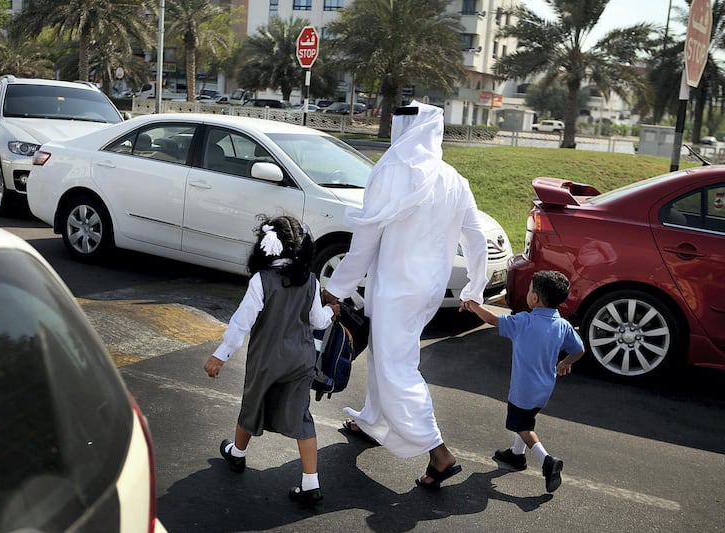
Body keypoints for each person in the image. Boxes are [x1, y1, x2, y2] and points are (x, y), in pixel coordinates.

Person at [321, 100, 489, 490]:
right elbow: (476, 238)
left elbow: (364, 241)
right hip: (427, 290)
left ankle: (439, 452)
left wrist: (336, 289)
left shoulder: (392, 170)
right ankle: (372, 421)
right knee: (387, 355)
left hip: (396, 288)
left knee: (397, 366)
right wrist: (474, 288)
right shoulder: (453, 178)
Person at [204, 215, 339, 506]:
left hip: (267, 359)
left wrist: (221, 355)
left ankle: (238, 455)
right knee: (302, 416)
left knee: (252, 403)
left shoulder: (261, 281)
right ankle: (311, 482)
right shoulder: (311, 282)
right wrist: (332, 311)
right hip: (301, 360)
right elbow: (318, 320)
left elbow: (242, 322)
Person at [463, 270, 584, 492]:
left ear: (535, 298)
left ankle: (547, 460)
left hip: (523, 390)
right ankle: (516, 455)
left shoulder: (523, 321)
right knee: (526, 419)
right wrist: (566, 363)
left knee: (521, 425)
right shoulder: (563, 325)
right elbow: (579, 349)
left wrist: (471, 305)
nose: (528, 293)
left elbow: (491, 319)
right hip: (545, 387)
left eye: (529, 290)